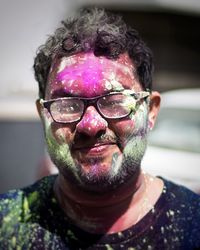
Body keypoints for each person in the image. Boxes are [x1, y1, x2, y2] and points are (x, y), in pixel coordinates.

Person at [0, 7, 200, 250]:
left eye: (115, 101)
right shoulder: (7, 225)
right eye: (67, 104)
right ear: (43, 115)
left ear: (151, 111)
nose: (91, 125)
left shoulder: (192, 225)